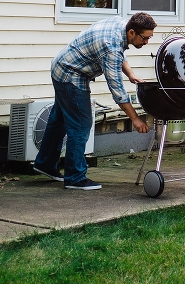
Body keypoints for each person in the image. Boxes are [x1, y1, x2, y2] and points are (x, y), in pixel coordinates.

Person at [33, 12, 156, 190]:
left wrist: (130, 74)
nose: (146, 43)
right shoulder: (110, 46)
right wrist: (135, 119)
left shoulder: (122, 24)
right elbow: (117, 90)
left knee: (59, 120)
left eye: (149, 38)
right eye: (145, 38)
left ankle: (45, 163)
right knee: (81, 123)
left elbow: (120, 52)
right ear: (131, 32)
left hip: (61, 66)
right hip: (71, 75)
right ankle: (75, 177)